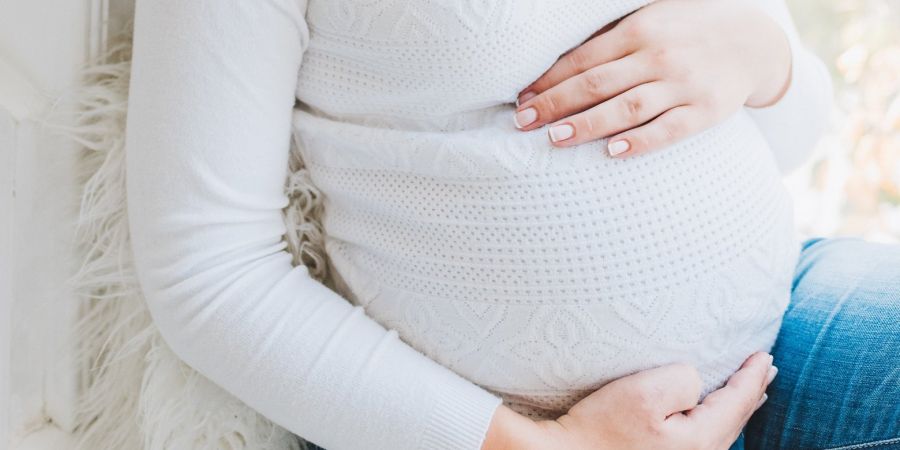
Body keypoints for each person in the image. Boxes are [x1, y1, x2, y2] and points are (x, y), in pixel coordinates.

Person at [123, 0, 900, 449]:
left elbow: (791, 134)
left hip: (776, 332)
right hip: (491, 428)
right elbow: (208, 274)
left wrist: (764, 55)